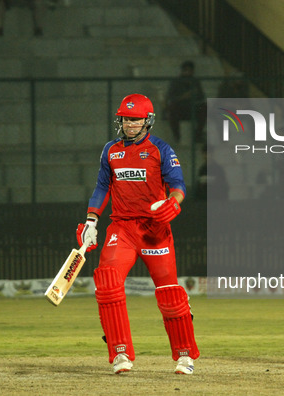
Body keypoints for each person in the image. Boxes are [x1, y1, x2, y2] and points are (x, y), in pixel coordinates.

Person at [76, 93, 199, 375]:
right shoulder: (110, 150)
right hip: (122, 227)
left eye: (135, 119)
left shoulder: (161, 149)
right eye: (126, 119)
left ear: (148, 121)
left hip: (154, 228)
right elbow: (101, 187)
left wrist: (173, 203)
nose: (130, 124)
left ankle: (184, 356)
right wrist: (91, 222)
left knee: (169, 293)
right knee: (107, 283)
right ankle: (120, 354)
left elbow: (178, 185)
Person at [165, 61, 206, 143]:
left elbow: (201, 96)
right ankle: (177, 136)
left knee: (205, 108)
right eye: (186, 70)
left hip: (193, 107)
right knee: (172, 109)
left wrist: (195, 95)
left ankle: (198, 134)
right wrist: (183, 97)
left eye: (190, 70)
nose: (188, 72)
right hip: (180, 108)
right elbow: (170, 97)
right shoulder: (176, 82)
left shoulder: (195, 81)